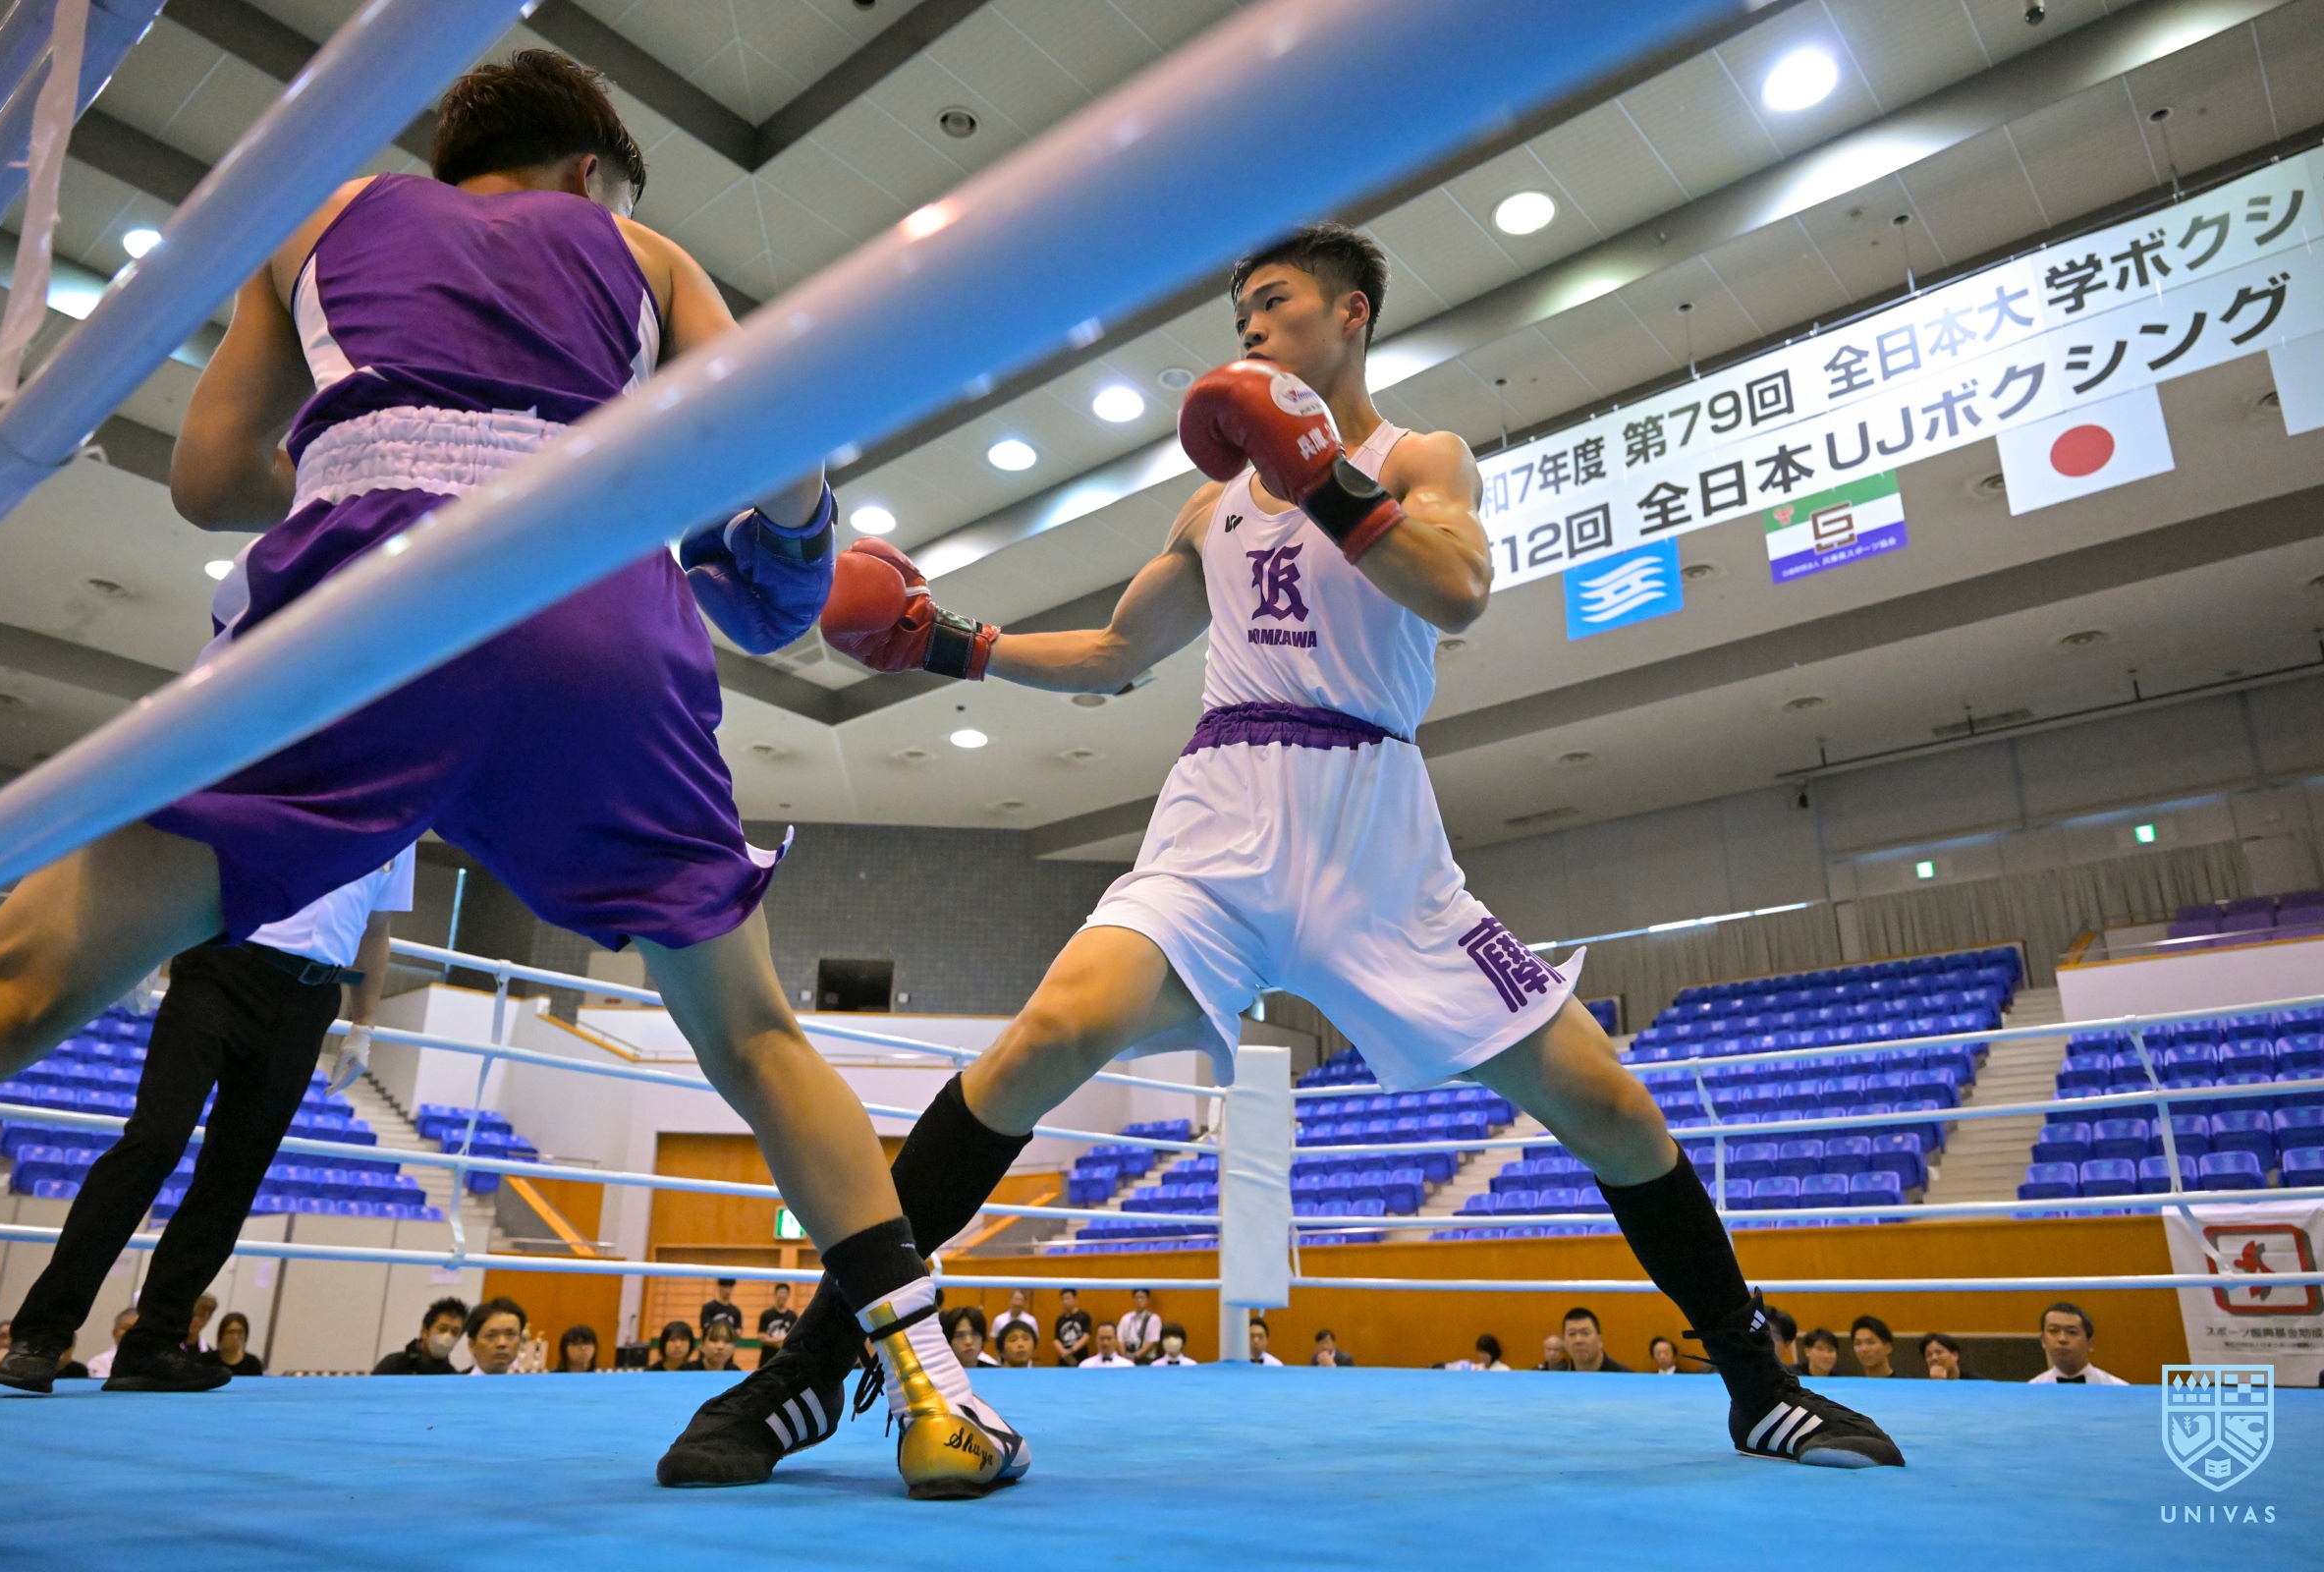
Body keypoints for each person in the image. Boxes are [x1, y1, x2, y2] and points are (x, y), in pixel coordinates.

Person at [0, 50, 1010, 1500]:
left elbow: (206, 481)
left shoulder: (321, 217)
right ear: (593, 175)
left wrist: (366, 461)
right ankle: (937, 1395)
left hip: (354, 609)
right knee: (755, 1036)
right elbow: (782, 452)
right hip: (589, 609)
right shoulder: (646, 254)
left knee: (20, 976)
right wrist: (789, 544)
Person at [788, 222, 1899, 1470]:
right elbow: (1110, 656)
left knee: (1609, 1103)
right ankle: (808, 1370)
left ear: (1352, 313)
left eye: (1274, 304)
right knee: (1043, 1037)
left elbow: (1458, 588)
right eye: (1241, 318)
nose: (1252, 330)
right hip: (1221, 813)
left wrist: (1323, 476)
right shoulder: (1209, 507)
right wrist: (945, 642)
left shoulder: (1415, 456)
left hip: (1374, 830)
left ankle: (1760, 1383)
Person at [0, 853, 413, 1397]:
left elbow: (377, 926)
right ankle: (41, 1335)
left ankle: (154, 1344)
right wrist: (146, 948)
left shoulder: (403, 825)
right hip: (221, 969)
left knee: (234, 1178)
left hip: (309, 1004)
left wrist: (365, 1022)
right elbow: (192, 860)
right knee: (152, 1144)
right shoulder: (282, 789)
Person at [2028, 1303, 2127, 1385]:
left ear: (2090, 1343)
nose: (2062, 1339)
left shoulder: (2118, 1390)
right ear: (2043, 1340)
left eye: (2072, 1332)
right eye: (2054, 1331)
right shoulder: (2031, 1391)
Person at [373, 1298, 467, 1376]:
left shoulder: (451, 1377)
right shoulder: (393, 1365)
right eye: (442, 1329)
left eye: (455, 1332)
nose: (448, 1336)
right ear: (424, 1332)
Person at [468, 1298, 527, 1376]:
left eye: (510, 1335)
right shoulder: (458, 1383)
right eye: (491, 1336)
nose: (502, 1343)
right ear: (471, 1345)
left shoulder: (529, 1383)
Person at [1561, 1308, 1631, 1374]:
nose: (1578, 1340)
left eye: (1585, 1333)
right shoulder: (1558, 1376)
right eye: (1572, 1334)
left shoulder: (1625, 1377)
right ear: (1564, 1343)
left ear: (1600, 1341)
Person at [201, 1312, 264, 1377]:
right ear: (221, 1335)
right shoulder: (206, 1361)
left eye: (240, 1332)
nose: (235, 1337)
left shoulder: (253, 1364)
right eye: (230, 1332)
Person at [83, 1308, 139, 1380]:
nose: (132, 1332)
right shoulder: (99, 1363)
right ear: (114, 1333)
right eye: (126, 1328)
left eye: (137, 1329)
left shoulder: (152, 1361)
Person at [750, 1283, 795, 1366]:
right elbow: (761, 1336)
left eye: (784, 1293)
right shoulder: (766, 1314)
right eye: (780, 1293)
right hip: (767, 1357)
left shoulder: (792, 1316)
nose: (782, 1296)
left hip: (785, 1358)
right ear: (775, 1294)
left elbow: (792, 1338)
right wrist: (780, 1341)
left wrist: (770, 1340)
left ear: (788, 1295)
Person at [1115, 1288, 1162, 1362]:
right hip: (1126, 1357)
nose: (1139, 1300)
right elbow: (1120, 1339)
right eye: (1137, 1297)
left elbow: (1152, 1341)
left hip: (1146, 1359)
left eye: (1142, 1297)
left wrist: (1135, 1357)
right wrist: (1124, 1358)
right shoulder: (1126, 1318)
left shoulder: (1154, 1319)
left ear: (1148, 1300)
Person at [1052, 1288, 1092, 1368]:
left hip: (1080, 1358)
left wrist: (1071, 1351)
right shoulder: (1060, 1320)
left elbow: (1086, 1336)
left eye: (1067, 1298)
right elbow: (1056, 1340)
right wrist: (1065, 1354)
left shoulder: (1083, 1316)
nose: (1065, 1302)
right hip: (1064, 1361)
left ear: (1075, 1299)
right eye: (1063, 1299)